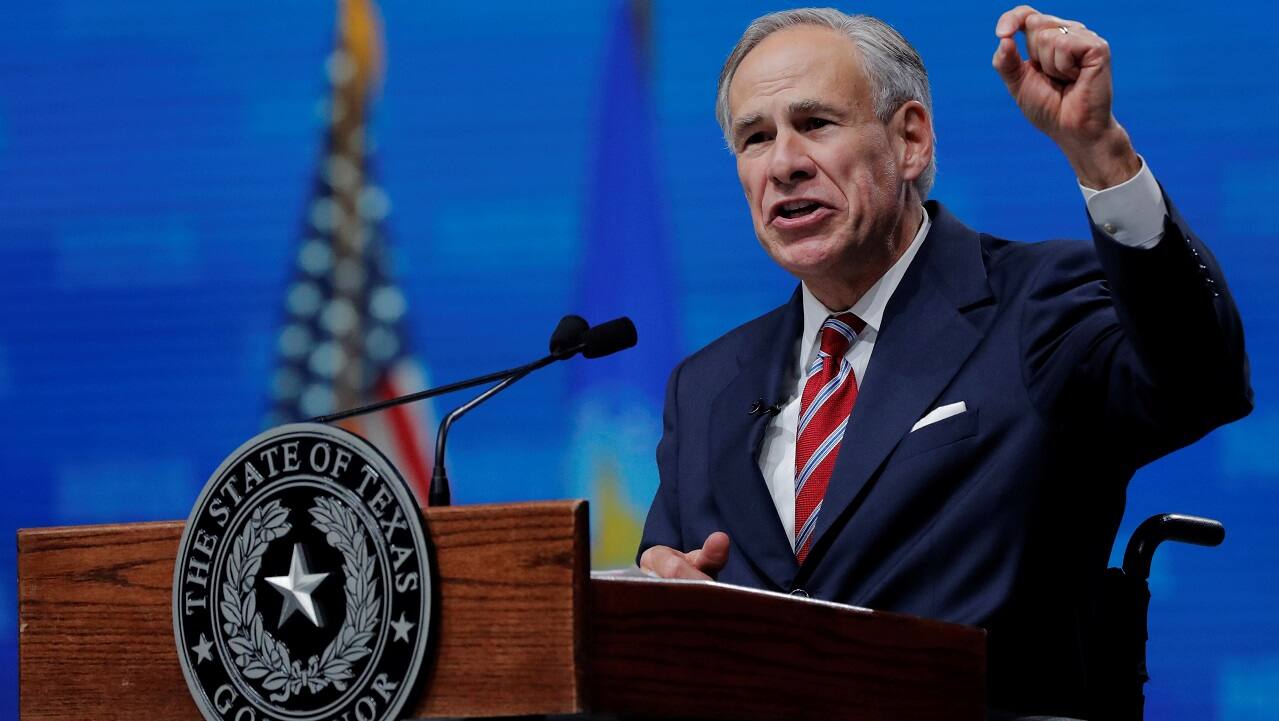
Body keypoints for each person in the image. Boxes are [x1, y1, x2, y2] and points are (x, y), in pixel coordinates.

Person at [637, 5, 1252, 718]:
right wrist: (650, 589)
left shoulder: (1033, 305)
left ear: (910, 140)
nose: (783, 163)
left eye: (815, 123)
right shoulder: (707, 385)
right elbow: (666, 577)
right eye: (754, 138)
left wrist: (1099, 154)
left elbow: (1197, 379)